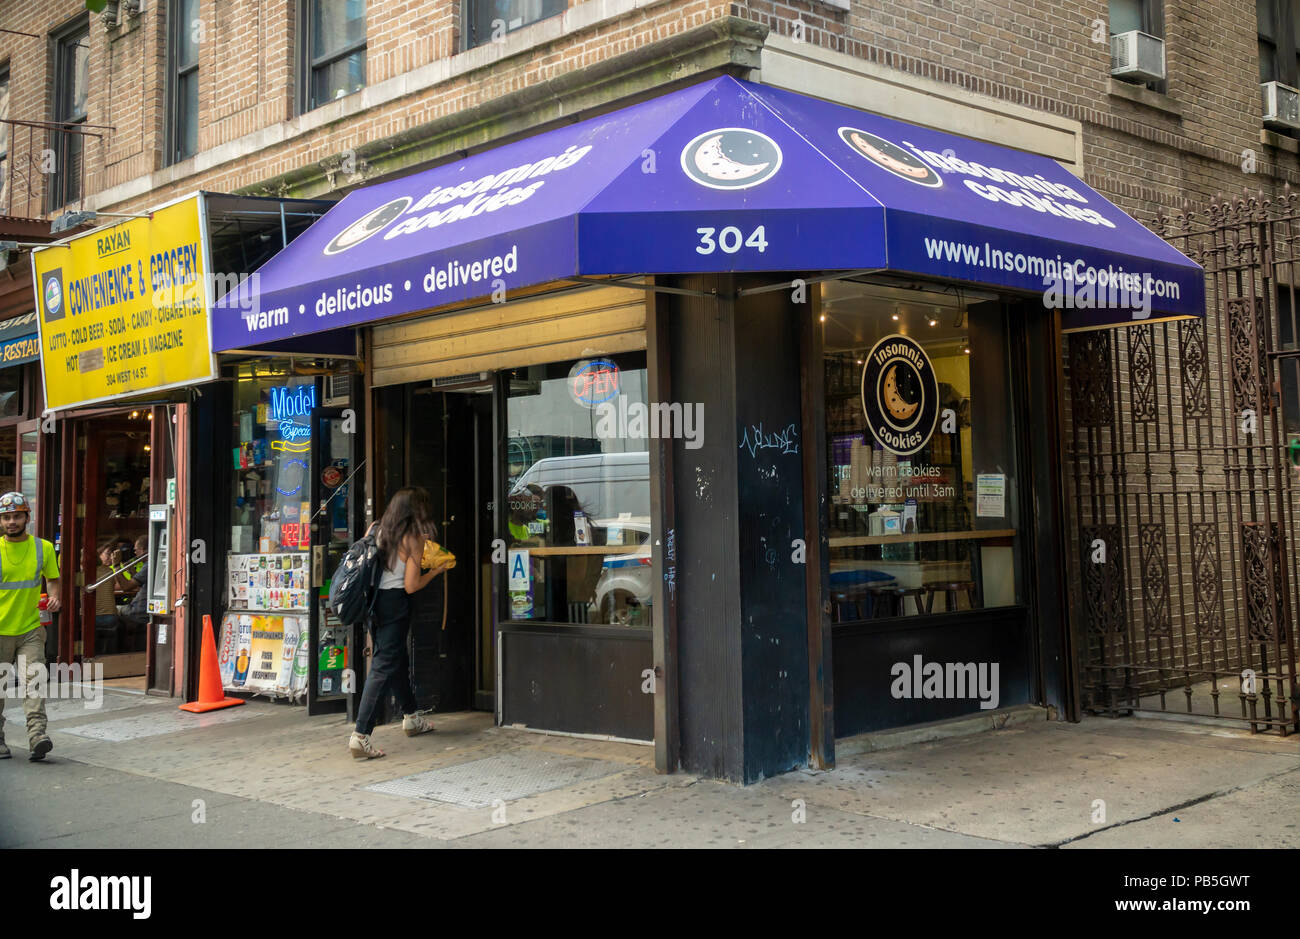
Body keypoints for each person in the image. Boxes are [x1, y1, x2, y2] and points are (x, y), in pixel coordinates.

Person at [349, 486, 452, 759]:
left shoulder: (375, 528)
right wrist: (436, 570)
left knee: (396, 660)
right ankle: (361, 734)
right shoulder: (413, 538)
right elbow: (411, 585)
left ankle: (411, 716)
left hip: (373, 604)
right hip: (395, 603)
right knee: (384, 665)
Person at [0, 492, 60, 761]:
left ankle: (37, 735)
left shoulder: (43, 548)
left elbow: (53, 579)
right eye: (6, 517)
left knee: (34, 683)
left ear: (27, 517)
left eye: (16, 516)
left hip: (31, 630)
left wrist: (55, 596)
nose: (11, 522)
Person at [92, 539, 123, 655]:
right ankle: (111, 657)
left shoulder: (83, 573)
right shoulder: (109, 571)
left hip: (92, 617)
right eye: (107, 554)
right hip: (111, 616)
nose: (110, 557)